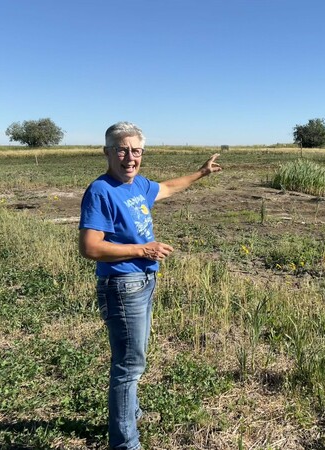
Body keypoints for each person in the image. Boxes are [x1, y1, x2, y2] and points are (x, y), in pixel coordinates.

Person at [78, 121, 222, 450]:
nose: (130, 157)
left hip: (144, 280)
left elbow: (168, 187)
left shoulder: (139, 185)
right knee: (128, 366)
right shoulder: (101, 191)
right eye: (122, 150)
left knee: (135, 358)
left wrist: (201, 173)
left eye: (137, 151)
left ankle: (130, 412)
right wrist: (142, 249)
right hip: (122, 284)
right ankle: (125, 443)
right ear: (107, 152)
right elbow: (89, 247)